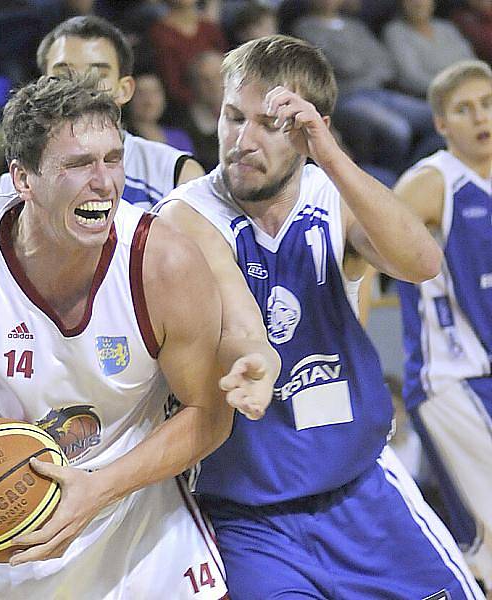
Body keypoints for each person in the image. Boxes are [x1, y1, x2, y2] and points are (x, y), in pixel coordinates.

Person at [0, 73, 279, 599]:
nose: (104, 182)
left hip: (135, 515)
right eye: (77, 165)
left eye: (113, 159)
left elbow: (208, 414)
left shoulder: (162, 263)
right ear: (22, 178)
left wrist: (100, 488)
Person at [158, 34, 484, 599]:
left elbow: (422, 261)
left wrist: (330, 156)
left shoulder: (331, 197)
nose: (242, 141)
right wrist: (253, 360)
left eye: (268, 124)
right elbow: (239, 324)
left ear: (312, 129)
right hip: (247, 520)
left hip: (361, 490)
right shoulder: (182, 218)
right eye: (233, 118)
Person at [395, 59, 492, 594]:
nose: (480, 116)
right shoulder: (432, 182)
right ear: (441, 124)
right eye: (464, 108)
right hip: (452, 380)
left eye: (487, 103)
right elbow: (361, 249)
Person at [0, 15, 206, 210]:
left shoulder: (175, 176)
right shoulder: (9, 188)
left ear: (124, 90)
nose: (79, 86)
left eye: (96, 74)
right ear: (42, 85)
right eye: (64, 73)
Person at [293, 0, 441, 174]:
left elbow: (384, 64)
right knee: (397, 130)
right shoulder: (305, 28)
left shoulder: (355, 25)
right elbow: (345, 64)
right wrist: (365, 65)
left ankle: (416, 171)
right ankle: (394, 179)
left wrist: (362, 67)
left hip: (379, 91)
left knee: (438, 118)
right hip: (346, 97)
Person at [383, 0, 476, 99]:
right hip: (429, 97)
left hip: (469, 89)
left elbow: (471, 60)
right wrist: (452, 89)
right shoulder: (395, 32)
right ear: (401, 4)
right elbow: (411, 77)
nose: (418, 3)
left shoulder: (446, 27)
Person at [147, 0, 228, 109]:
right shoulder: (160, 34)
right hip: (187, 107)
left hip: (224, 97)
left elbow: (227, 65)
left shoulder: (209, 27)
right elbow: (172, 85)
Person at [125, 71, 194, 153]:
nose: (149, 101)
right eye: (141, 93)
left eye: (155, 92)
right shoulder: (123, 139)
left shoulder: (180, 138)